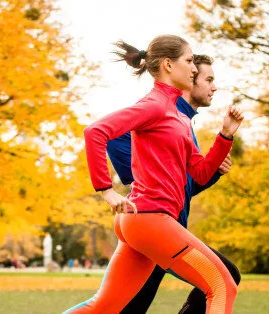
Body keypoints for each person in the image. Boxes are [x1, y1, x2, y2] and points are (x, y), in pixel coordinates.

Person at [64, 35, 244, 314]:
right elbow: (96, 132)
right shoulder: (155, 105)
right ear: (169, 65)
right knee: (222, 285)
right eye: (189, 61)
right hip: (150, 220)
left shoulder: (179, 116)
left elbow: (200, 171)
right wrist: (107, 190)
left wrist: (225, 136)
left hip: (143, 222)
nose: (194, 69)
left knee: (105, 306)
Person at [107, 54, 241, 314]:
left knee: (123, 308)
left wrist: (212, 172)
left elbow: (184, 185)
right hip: (153, 225)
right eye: (208, 79)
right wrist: (143, 177)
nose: (214, 86)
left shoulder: (183, 122)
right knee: (223, 280)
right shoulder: (163, 114)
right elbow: (113, 137)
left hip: (168, 228)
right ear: (190, 81)